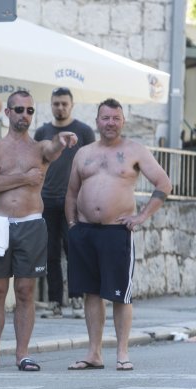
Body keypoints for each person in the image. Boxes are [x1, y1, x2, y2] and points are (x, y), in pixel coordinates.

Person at [0, 90, 78, 373]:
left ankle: (22, 354)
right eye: (19, 110)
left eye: (29, 111)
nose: (24, 115)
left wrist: (62, 141)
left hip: (30, 223)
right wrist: (23, 178)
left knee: (26, 291)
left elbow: (52, 149)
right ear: (7, 113)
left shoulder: (39, 148)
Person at [65, 98, 171, 372]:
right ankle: (94, 353)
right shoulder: (84, 153)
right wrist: (73, 225)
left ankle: (122, 353)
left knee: (120, 294)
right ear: (97, 121)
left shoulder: (135, 150)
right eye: (105, 118)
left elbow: (163, 183)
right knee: (91, 292)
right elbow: (72, 192)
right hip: (85, 232)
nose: (110, 122)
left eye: (115, 118)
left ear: (123, 121)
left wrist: (141, 216)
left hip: (116, 231)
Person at [33, 87, 95, 319]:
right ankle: (55, 303)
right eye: (56, 103)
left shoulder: (84, 132)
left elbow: (92, 164)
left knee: (74, 251)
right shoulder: (42, 132)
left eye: (64, 104)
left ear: (72, 105)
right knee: (50, 254)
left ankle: (77, 299)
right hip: (46, 200)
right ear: (51, 105)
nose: (60, 107)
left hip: (75, 201)